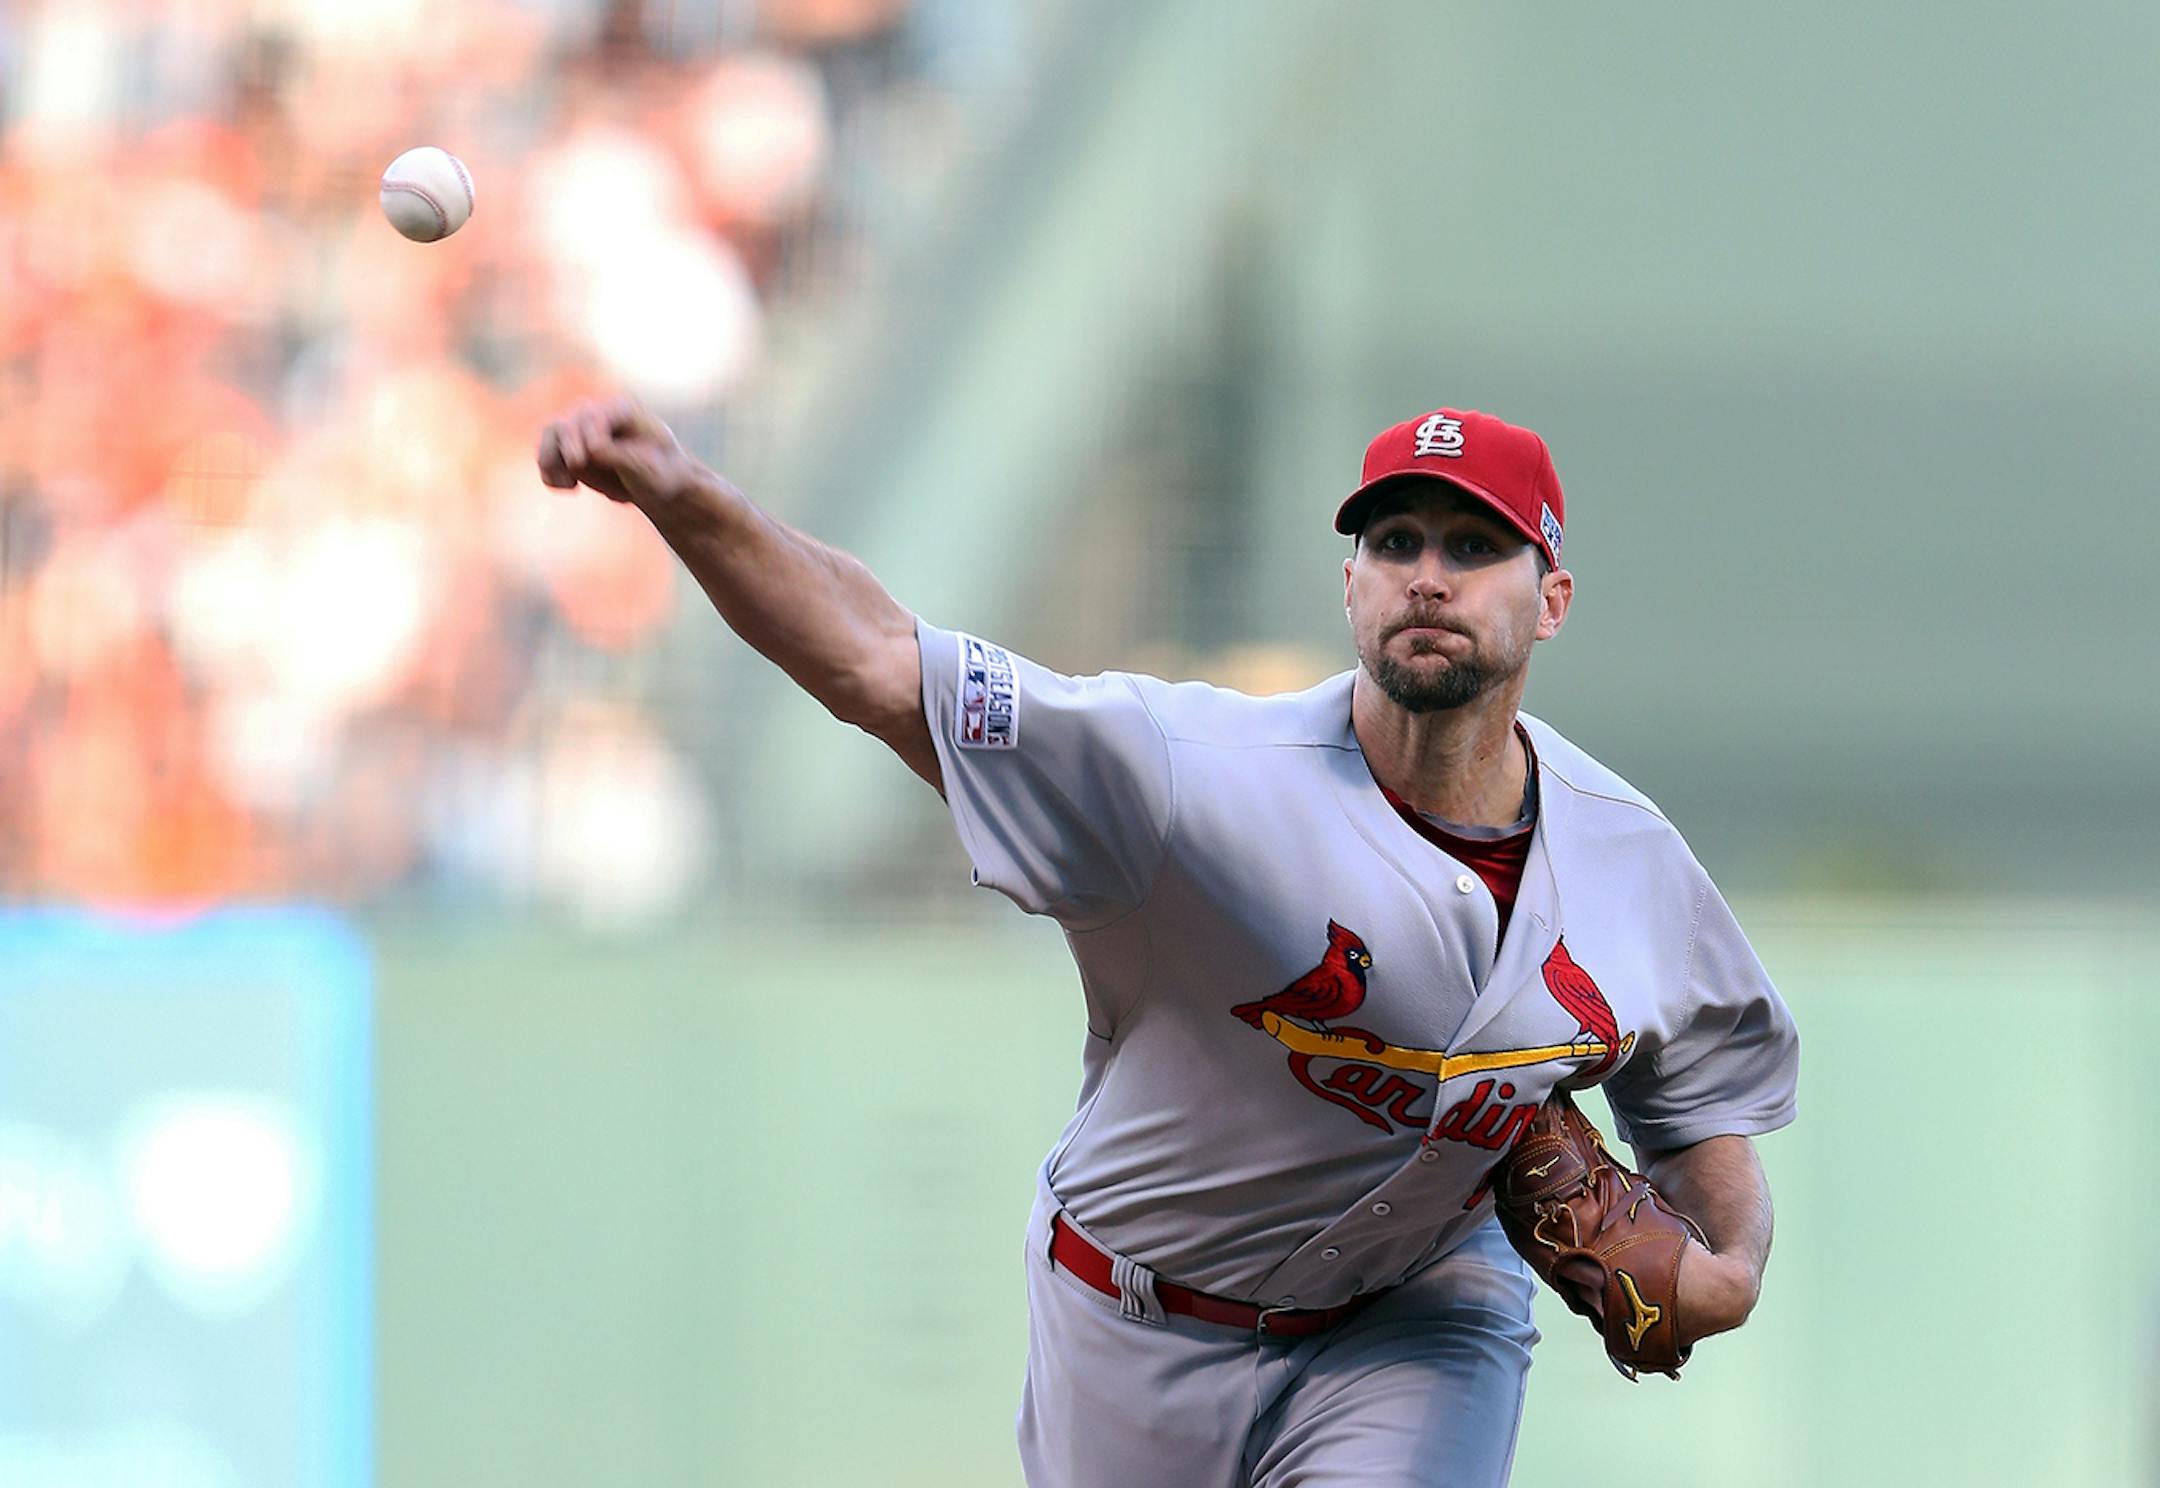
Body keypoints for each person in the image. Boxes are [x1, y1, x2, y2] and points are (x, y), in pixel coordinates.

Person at [536, 399, 1800, 1487]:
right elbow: (880, 658)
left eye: (1476, 546)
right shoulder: (1188, 776)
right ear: (1349, 584)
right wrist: (686, 494)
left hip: (1415, 1313)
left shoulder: (1629, 860)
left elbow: (1698, 1101)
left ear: (1553, 598)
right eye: (1396, 540)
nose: (1429, 573)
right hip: (1131, 1312)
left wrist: (1726, 1268)